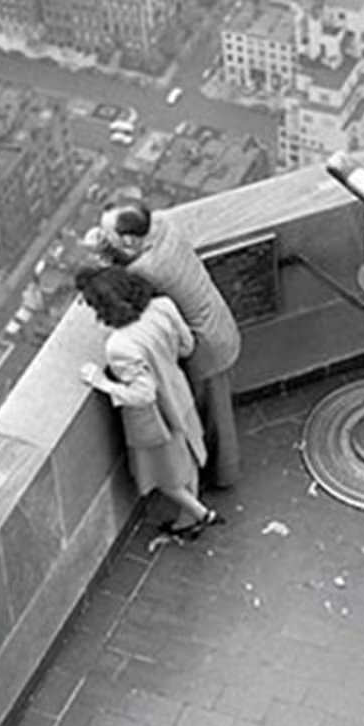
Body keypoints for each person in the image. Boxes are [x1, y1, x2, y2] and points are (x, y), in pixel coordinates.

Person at [85, 201, 243, 490]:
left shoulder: (147, 268)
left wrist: (100, 252)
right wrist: (109, 244)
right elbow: (129, 255)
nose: (104, 236)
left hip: (205, 346)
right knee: (217, 409)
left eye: (108, 233)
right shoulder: (163, 223)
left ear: (129, 239)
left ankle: (224, 476)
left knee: (215, 417)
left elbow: (121, 282)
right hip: (217, 321)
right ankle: (217, 469)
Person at [74, 266, 222, 538]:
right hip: (179, 393)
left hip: (157, 417)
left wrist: (102, 382)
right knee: (186, 463)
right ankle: (187, 520)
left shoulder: (119, 345)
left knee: (163, 475)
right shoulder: (162, 306)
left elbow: (143, 395)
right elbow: (186, 346)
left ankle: (200, 514)